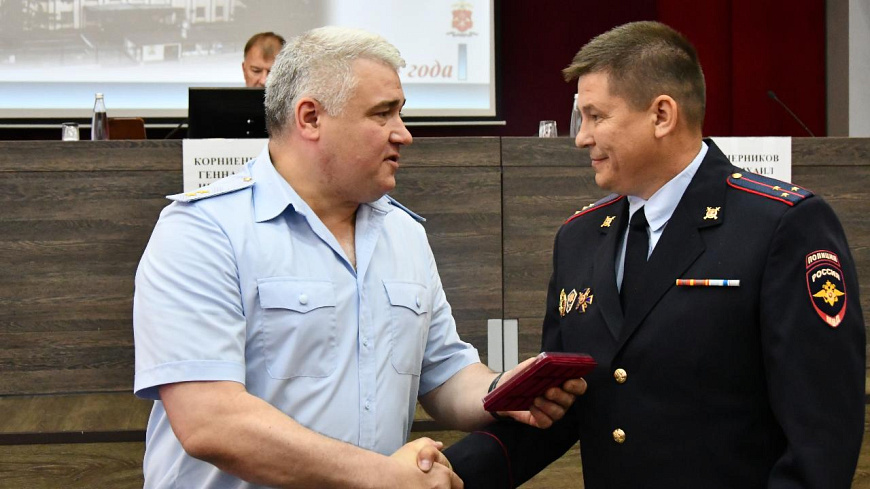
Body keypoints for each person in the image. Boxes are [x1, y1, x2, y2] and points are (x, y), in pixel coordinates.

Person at [133, 26, 586, 488]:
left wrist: (502, 390)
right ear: (310, 118)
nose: (403, 134)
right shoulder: (204, 230)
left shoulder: (403, 233)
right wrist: (384, 477)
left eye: (400, 113)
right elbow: (211, 421)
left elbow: (444, 375)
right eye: (382, 113)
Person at [444, 20, 865, 488]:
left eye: (596, 116)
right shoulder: (579, 238)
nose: (581, 137)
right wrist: (446, 474)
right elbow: (557, 408)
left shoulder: (779, 226)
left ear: (662, 115)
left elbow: (821, 438)